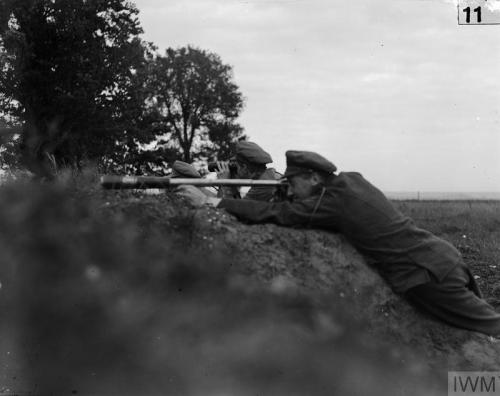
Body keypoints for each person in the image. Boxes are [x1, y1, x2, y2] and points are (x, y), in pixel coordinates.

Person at [177, 150, 500, 336]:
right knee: (483, 331)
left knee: (490, 329)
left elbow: (278, 214)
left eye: (294, 182)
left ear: (314, 178)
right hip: (443, 257)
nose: (290, 188)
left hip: (424, 276)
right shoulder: (352, 180)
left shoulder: (331, 202)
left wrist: (212, 203)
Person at [216, 141, 282, 202]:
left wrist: (225, 184)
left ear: (244, 167)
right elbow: (242, 205)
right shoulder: (271, 177)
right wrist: (232, 186)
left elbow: (237, 212)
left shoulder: (265, 184)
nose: (236, 170)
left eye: (237, 166)